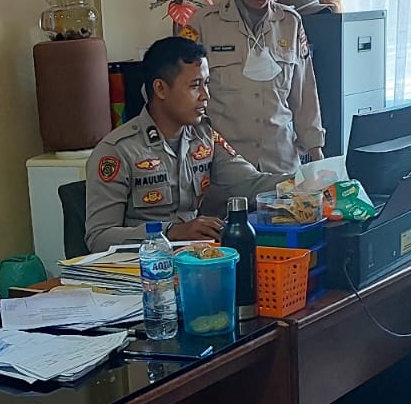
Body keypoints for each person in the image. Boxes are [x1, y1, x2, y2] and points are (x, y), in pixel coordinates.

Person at [84, 36, 287, 252]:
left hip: (194, 259)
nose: (205, 96)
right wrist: (169, 233)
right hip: (141, 266)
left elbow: (250, 183)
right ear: (160, 89)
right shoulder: (118, 150)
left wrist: (304, 182)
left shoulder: (203, 136)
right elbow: (99, 237)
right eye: (194, 86)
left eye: (206, 84)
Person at [187, 0, 326, 174]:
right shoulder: (204, 24)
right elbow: (186, 98)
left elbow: (305, 93)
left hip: (281, 166)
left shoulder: (290, 23)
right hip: (225, 170)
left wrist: (316, 154)